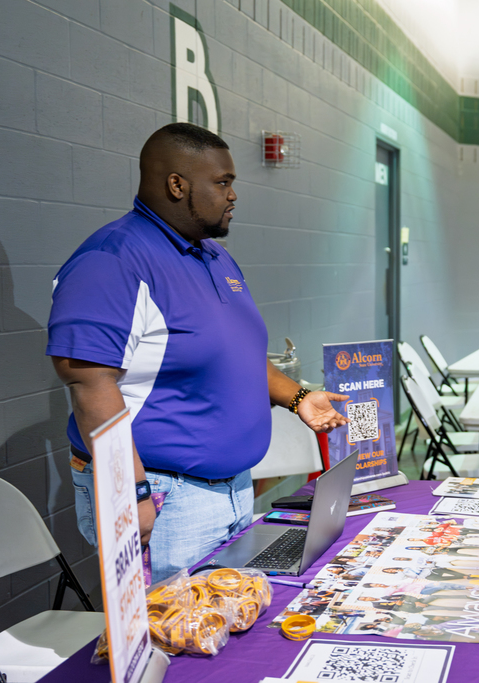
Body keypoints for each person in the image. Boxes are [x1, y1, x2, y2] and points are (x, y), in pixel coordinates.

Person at [47, 123, 349, 583]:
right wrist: (133, 491)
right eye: (223, 182)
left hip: (233, 486)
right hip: (166, 496)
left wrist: (297, 398)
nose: (233, 195)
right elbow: (89, 383)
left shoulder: (213, 257)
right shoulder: (114, 259)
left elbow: (237, 354)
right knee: (177, 639)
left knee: (221, 629)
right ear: (177, 185)